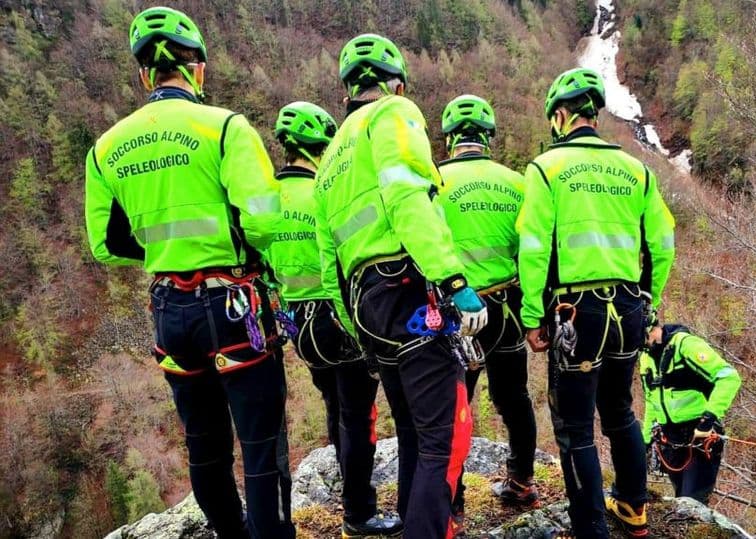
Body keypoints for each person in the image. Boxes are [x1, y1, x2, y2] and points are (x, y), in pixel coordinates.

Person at [84, 7, 294, 538]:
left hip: (169, 310)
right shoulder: (225, 127)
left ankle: (232, 533)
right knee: (260, 442)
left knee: (204, 443)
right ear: (197, 68)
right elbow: (264, 220)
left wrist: (169, 249)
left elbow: (105, 244)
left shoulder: (105, 148)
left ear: (143, 76)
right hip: (233, 300)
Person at [315, 33, 488, 539]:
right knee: (446, 437)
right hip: (410, 289)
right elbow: (408, 199)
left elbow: (331, 267)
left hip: (368, 306)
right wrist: (455, 281)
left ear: (347, 92)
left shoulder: (329, 162)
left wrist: (358, 332)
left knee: (414, 432)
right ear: (395, 84)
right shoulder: (393, 114)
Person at [517, 67, 676, 539]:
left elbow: (533, 248)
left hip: (575, 313)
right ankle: (633, 507)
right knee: (621, 411)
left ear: (561, 116)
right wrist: (650, 304)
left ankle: (590, 528)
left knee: (576, 427)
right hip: (628, 308)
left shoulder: (547, 168)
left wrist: (531, 316)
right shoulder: (637, 170)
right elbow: (663, 245)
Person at [264, 101, 400, 537]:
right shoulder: (324, 190)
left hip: (299, 322)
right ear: (320, 147)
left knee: (334, 405)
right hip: (336, 319)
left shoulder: (265, 197)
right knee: (358, 415)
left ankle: (350, 494)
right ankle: (359, 512)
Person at [436, 95, 539, 531]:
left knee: (455, 402)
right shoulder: (517, 182)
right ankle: (522, 480)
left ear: (450, 137)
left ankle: (452, 499)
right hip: (509, 309)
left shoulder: (434, 180)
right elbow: (533, 250)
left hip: (459, 310)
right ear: (488, 136)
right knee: (513, 395)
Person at [641, 323, 741, 505]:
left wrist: (708, 419)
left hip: (700, 437)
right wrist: (645, 440)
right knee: (681, 499)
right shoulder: (645, 356)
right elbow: (651, 399)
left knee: (691, 503)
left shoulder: (686, 345)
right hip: (670, 440)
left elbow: (729, 376)